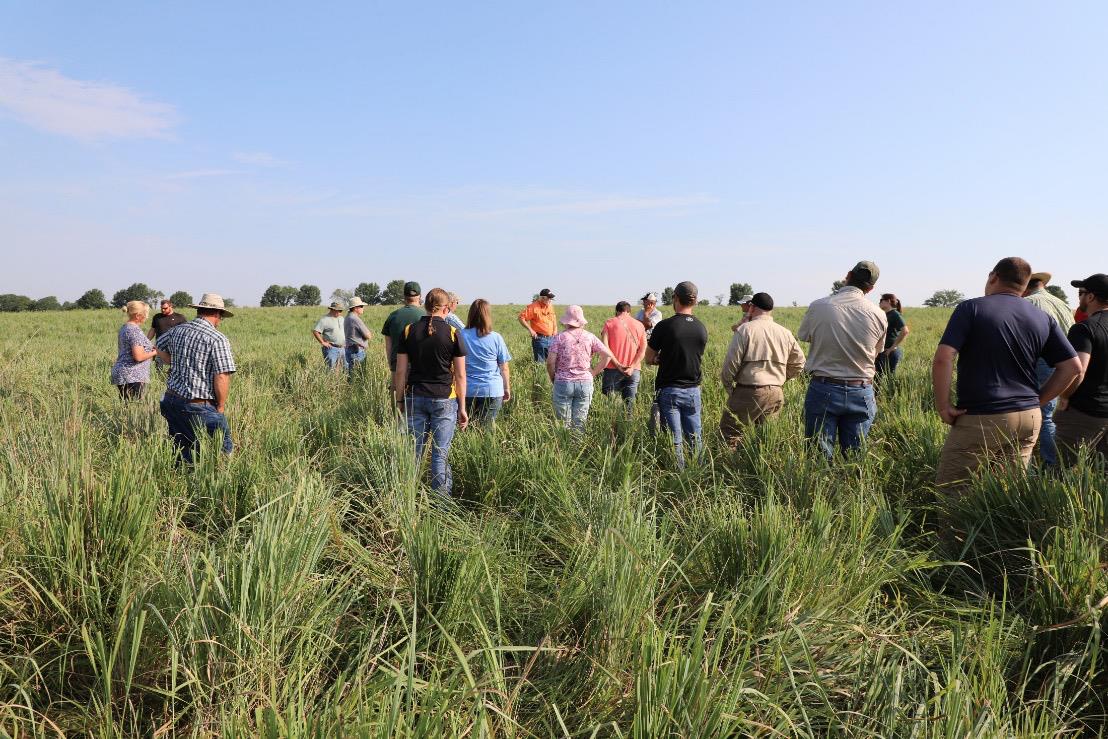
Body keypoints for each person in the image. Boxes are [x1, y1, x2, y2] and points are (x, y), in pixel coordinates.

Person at [932, 258, 1080, 490]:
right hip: (1028, 418)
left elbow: (944, 357)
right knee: (1006, 493)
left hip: (984, 415)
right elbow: (1073, 367)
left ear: (993, 277)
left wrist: (943, 406)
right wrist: (1038, 401)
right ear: (1024, 285)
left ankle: (955, 529)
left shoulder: (971, 308)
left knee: (953, 491)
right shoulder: (1042, 317)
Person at [798, 260, 887, 457]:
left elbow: (804, 335)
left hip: (824, 386)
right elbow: (877, 350)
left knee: (818, 456)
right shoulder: (879, 314)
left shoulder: (819, 306)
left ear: (847, 275)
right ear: (871, 288)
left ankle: (820, 487)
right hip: (861, 389)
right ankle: (853, 486)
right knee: (855, 457)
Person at [394, 288, 468, 495]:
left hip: (414, 396)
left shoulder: (409, 331)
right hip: (445, 398)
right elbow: (461, 376)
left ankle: (407, 496)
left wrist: (400, 401)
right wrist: (462, 407)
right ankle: (441, 506)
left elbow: (401, 372)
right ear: (446, 308)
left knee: (413, 452)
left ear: (426, 306)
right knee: (439, 453)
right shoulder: (453, 333)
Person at [156, 294, 236, 464]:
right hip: (198, 405)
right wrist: (220, 406)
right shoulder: (217, 338)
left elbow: (156, 348)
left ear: (199, 310)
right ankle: (220, 481)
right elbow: (222, 375)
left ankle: (178, 481)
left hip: (171, 400)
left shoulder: (177, 330)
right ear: (216, 314)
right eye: (220, 317)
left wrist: (172, 361)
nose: (220, 321)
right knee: (224, 449)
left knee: (182, 450)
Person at [719, 292, 805, 447]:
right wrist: (780, 379)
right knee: (765, 440)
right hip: (775, 392)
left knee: (731, 433)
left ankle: (730, 467)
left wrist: (728, 386)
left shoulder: (745, 330)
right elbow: (799, 362)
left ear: (751, 307)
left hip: (748, 390)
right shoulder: (784, 332)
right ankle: (761, 468)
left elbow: (731, 362)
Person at [646, 281, 708, 468]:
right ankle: (698, 473)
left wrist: (661, 359)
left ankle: (677, 474)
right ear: (695, 301)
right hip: (693, 390)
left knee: (674, 438)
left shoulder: (665, 326)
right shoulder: (701, 327)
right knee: (695, 437)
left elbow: (649, 358)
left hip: (670, 389)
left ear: (676, 298)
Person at [1022, 272, 1075, 467]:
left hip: (1043, 360)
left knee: (1041, 416)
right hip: (1066, 364)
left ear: (1025, 286)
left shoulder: (1029, 303)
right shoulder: (1061, 303)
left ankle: (1050, 465)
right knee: (1048, 415)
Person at [1055, 274, 1108, 464]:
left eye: (1081, 293)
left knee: (1064, 471)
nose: (1079, 298)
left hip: (1084, 412)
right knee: (1100, 475)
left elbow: (1077, 370)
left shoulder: (1085, 328)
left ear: (1091, 297)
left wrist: (1065, 396)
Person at [461, 299, 512, 426]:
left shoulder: (460, 335)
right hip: (492, 389)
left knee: (468, 428)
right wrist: (506, 388)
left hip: (467, 389)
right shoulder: (496, 337)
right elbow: (504, 367)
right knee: (487, 428)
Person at [600, 301, 647, 411]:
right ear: (629, 312)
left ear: (617, 311)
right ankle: (627, 427)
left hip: (612, 369)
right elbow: (643, 349)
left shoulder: (609, 323)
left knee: (612, 407)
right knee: (629, 406)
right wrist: (632, 366)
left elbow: (605, 347)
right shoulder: (640, 325)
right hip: (633, 370)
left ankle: (613, 428)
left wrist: (618, 365)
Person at [111, 300, 158, 399]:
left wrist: (149, 349)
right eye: (145, 314)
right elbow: (138, 357)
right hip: (132, 375)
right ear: (138, 315)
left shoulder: (126, 327)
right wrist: (155, 352)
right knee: (133, 407)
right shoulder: (134, 330)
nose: (147, 317)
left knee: (126, 407)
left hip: (125, 374)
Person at [382, 281, 424, 377]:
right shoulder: (426, 316)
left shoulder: (393, 316)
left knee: (396, 391)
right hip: (420, 367)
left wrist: (392, 366)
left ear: (404, 296)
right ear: (420, 296)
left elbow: (389, 346)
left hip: (397, 366)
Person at [148, 298, 187, 373]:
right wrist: (146, 342)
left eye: (165, 308)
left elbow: (184, 333)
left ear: (171, 306)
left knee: (173, 368)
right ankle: (158, 381)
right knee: (158, 369)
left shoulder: (180, 318)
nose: (163, 310)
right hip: (159, 348)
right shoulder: (157, 317)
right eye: (161, 308)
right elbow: (153, 330)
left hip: (174, 348)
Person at [876, 293, 910, 378]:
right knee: (877, 377)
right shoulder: (884, 314)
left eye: (881, 300)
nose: (879, 302)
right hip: (881, 351)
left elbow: (905, 330)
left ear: (888, 301)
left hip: (889, 352)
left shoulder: (894, 314)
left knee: (890, 379)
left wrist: (893, 347)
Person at [519, 288, 557, 361]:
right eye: (548, 298)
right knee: (540, 364)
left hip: (551, 339)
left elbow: (553, 318)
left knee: (551, 363)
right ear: (542, 298)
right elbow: (521, 318)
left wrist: (555, 330)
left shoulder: (550, 306)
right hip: (540, 339)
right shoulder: (533, 307)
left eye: (551, 299)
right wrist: (531, 330)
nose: (550, 300)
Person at [313, 301, 347, 372]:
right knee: (331, 370)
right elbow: (316, 331)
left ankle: (341, 382)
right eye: (338, 310)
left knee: (344, 368)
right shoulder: (324, 320)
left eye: (341, 310)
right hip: (331, 348)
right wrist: (323, 342)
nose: (340, 312)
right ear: (332, 309)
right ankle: (331, 382)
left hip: (343, 348)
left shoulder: (341, 318)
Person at [344, 297, 372, 377]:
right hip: (356, 351)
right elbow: (368, 335)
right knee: (359, 376)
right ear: (356, 308)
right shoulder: (355, 319)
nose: (363, 308)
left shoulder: (348, 317)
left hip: (350, 349)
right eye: (361, 306)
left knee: (352, 375)